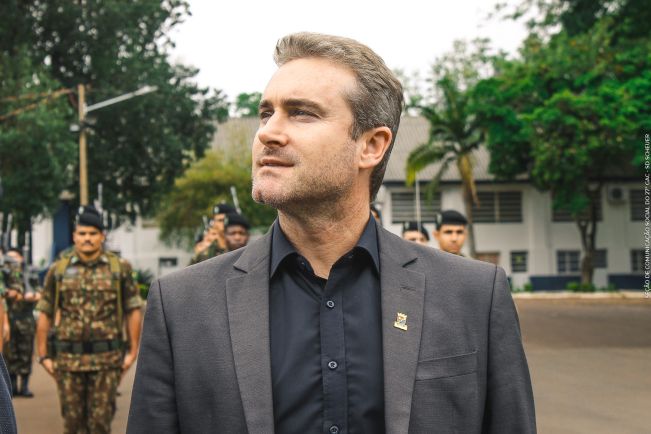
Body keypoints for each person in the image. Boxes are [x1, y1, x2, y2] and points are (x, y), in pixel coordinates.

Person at [128, 32, 535, 434]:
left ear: (371, 146)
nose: (268, 132)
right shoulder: (182, 306)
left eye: (301, 113)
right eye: (266, 113)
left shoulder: (473, 296)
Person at [36, 206, 143, 434]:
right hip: (68, 361)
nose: (87, 238)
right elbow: (45, 310)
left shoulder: (119, 268)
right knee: (72, 425)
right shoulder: (59, 270)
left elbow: (133, 309)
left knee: (100, 424)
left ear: (102, 236)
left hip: (106, 361)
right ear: (74, 236)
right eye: (82, 233)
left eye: (93, 233)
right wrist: (43, 356)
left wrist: (132, 352)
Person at [3, 248, 40, 397]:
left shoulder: (29, 273)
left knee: (26, 352)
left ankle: (24, 386)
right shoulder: (4, 274)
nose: (12, 262)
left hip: (25, 318)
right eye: (9, 258)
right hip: (9, 319)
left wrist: (32, 296)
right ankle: (12, 386)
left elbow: (40, 292)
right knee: (10, 354)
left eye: (15, 258)